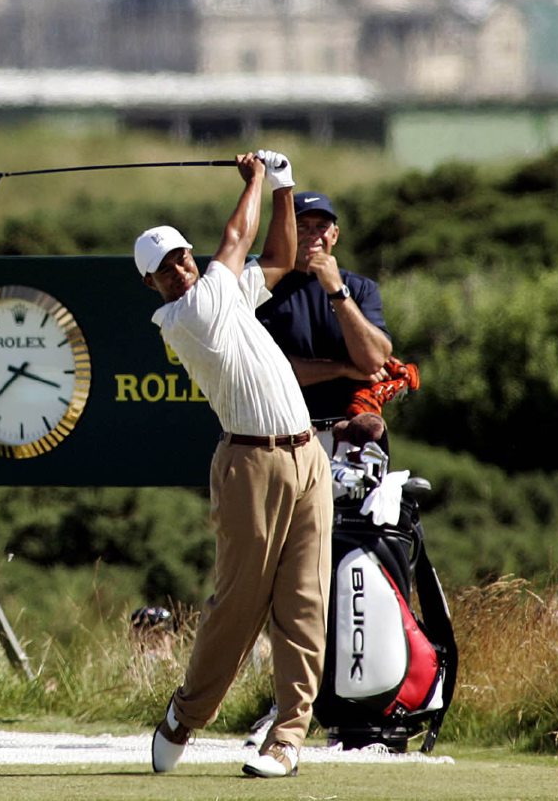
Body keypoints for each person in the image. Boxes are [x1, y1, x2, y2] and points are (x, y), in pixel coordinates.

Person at [136, 149, 332, 780]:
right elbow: (236, 237)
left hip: (307, 457)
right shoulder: (188, 315)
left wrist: (284, 187)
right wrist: (255, 179)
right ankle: (185, 717)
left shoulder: (222, 295)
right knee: (239, 606)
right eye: (166, 268)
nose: (180, 269)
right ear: (154, 285)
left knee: (304, 600)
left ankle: (287, 737)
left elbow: (274, 258)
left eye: (181, 257)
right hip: (250, 465)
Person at [256, 192, 401, 443]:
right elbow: (271, 371)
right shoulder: (263, 290)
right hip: (286, 434)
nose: (313, 235)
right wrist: (344, 368)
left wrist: (337, 291)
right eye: (302, 227)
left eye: (321, 227)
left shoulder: (359, 288)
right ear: (287, 231)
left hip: (354, 431)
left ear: (334, 234)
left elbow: (375, 361)